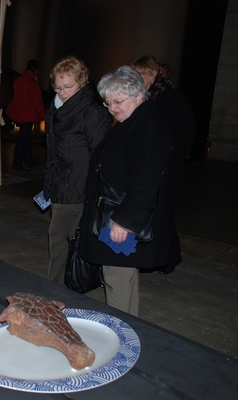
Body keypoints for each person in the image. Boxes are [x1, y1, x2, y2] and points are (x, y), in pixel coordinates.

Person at [78, 66, 180, 316]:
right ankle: (130, 327)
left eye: (118, 101)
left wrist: (125, 222)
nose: (112, 108)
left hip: (119, 218)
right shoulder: (134, 120)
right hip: (114, 212)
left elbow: (146, 181)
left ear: (138, 94)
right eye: (108, 102)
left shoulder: (148, 125)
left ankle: (119, 334)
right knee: (123, 277)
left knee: (117, 279)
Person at [42, 55, 111, 286]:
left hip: (77, 186)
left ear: (81, 82)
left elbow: (101, 154)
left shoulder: (91, 110)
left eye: (68, 87)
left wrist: (95, 190)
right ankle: (60, 287)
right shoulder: (57, 106)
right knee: (61, 238)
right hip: (59, 182)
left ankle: (55, 292)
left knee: (59, 238)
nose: (62, 92)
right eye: (58, 87)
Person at [131, 55, 196, 274]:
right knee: (152, 211)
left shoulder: (171, 98)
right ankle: (158, 257)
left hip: (168, 165)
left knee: (163, 211)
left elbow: (186, 132)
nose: (137, 78)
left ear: (152, 74)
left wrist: (174, 155)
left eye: (140, 74)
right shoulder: (144, 98)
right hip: (150, 163)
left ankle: (167, 259)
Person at [6, 59, 46, 171]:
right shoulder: (32, 84)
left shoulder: (19, 80)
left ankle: (28, 161)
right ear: (36, 70)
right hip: (28, 116)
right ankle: (17, 164)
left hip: (20, 114)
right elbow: (37, 102)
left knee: (25, 139)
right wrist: (44, 115)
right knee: (23, 140)